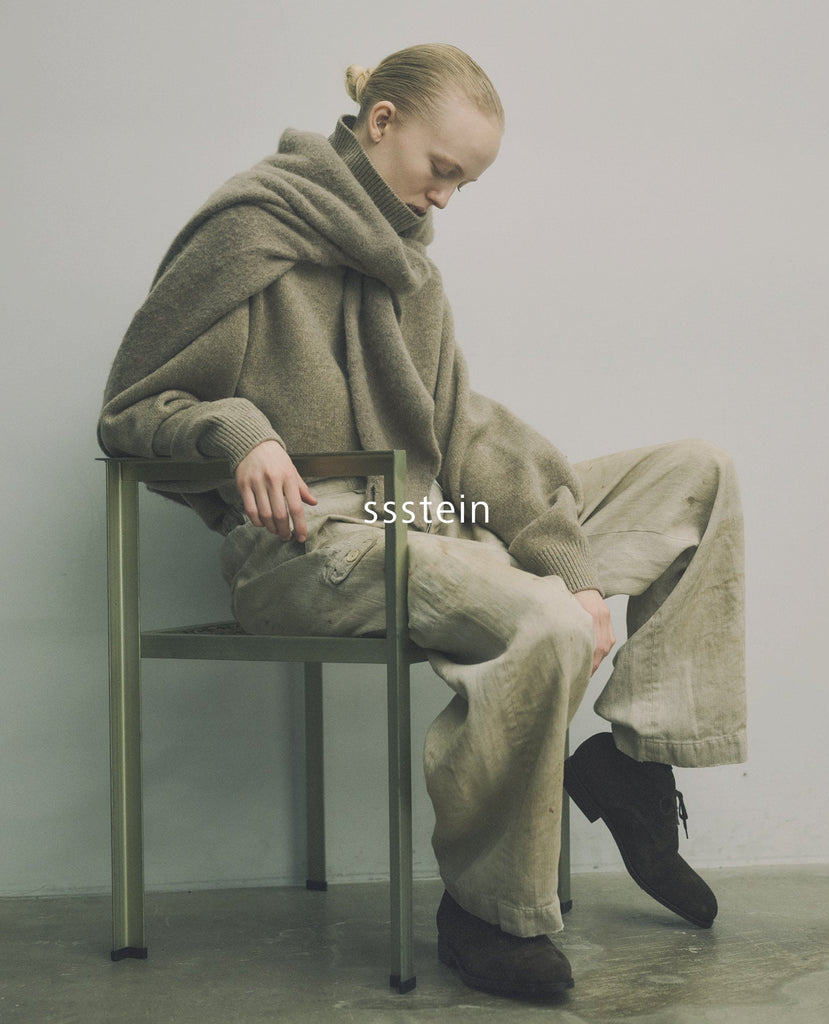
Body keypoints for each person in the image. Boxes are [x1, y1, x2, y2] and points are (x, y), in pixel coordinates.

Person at [98, 43, 746, 999]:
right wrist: (237, 432)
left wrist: (567, 561)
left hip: (430, 515)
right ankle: (489, 913)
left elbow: (459, 435)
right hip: (309, 544)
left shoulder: (409, 274)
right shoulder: (249, 229)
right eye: (441, 170)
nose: (444, 198)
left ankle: (631, 767)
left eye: (463, 184)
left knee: (696, 472)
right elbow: (130, 409)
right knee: (549, 619)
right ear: (382, 121)